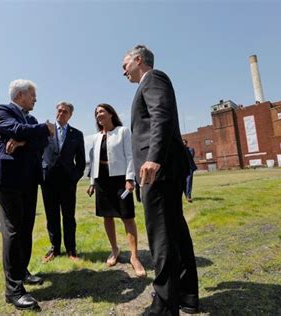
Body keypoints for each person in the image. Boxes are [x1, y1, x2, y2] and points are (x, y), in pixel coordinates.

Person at [122, 45, 199, 314]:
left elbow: (161, 116)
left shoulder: (153, 79)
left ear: (138, 60)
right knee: (175, 231)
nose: (123, 70)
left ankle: (165, 306)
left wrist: (153, 158)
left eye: (125, 64)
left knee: (162, 236)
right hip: (162, 169)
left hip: (158, 170)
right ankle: (187, 294)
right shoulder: (145, 85)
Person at [0, 79, 54, 311]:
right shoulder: (3, 110)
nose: (35, 100)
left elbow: (41, 142)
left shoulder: (30, 119)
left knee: (26, 228)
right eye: (33, 96)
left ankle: (22, 271)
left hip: (29, 179)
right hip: (9, 179)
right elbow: (12, 129)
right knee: (13, 231)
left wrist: (22, 140)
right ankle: (13, 290)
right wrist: (34, 132)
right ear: (20, 96)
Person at [87, 104, 146, 278]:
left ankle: (134, 257)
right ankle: (115, 250)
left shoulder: (123, 131)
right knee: (107, 216)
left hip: (120, 179)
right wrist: (92, 182)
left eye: (102, 111)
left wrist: (129, 178)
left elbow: (130, 155)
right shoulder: (96, 137)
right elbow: (93, 160)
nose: (99, 114)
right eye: (96, 112)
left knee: (127, 217)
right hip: (102, 181)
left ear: (111, 113)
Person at [41, 102, 85, 262]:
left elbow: (81, 161)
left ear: (70, 115)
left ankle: (71, 249)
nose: (61, 113)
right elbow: (37, 152)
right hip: (48, 181)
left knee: (68, 216)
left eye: (65, 112)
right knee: (51, 216)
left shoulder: (77, 134)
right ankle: (54, 249)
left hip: (67, 182)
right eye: (59, 110)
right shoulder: (45, 130)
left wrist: (75, 177)